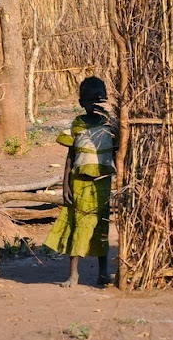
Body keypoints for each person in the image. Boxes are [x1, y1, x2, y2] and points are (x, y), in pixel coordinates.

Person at [43, 76, 117, 287]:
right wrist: (65, 185)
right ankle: (74, 274)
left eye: (99, 100)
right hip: (79, 184)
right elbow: (70, 157)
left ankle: (103, 273)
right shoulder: (77, 125)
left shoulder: (111, 126)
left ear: (105, 100)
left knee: (100, 229)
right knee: (78, 227)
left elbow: (118, 152)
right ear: (81, 103)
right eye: (89, 100)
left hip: (102, 186)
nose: (94, 105)